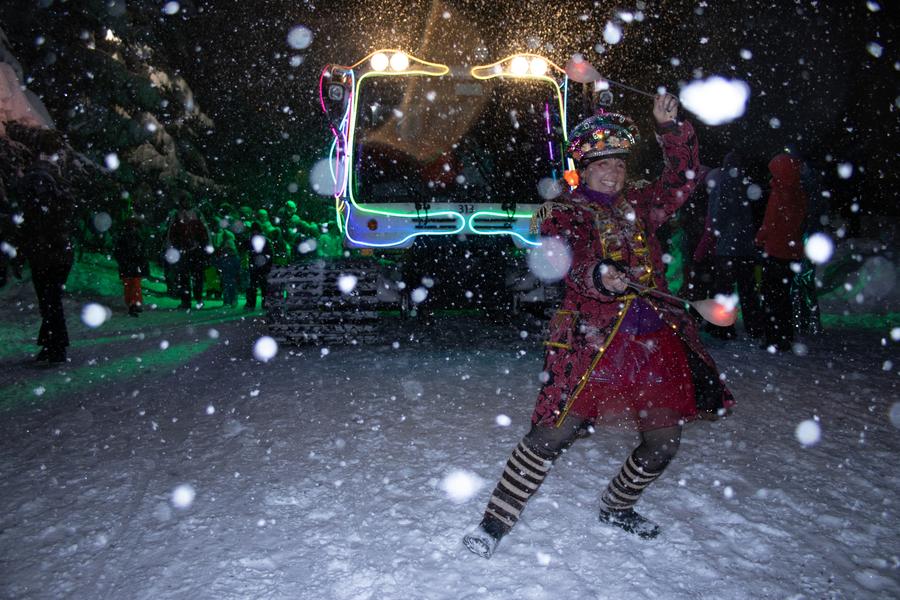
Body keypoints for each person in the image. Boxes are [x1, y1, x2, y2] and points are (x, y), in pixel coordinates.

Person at [463, 96, 735, 559]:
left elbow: (682, 180)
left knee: (664, 439)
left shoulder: (641, 205)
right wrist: (599, 274)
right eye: (602, 164)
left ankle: (617, 506)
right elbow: (569, 261)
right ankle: (494, 522)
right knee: (553, 433)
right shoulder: (565, 212)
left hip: (653, 342)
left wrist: (670, 129)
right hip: (592, 344)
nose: (612, 172)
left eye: (619, 164)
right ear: (584, 169)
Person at [16, 144, 76, 363]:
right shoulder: (56, 190)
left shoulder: (39, 191)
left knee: (49, 301)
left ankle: (55, 345)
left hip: (48, 255)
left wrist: (23, 254)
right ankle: (52, 343)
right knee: (51, 301)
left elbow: (31, 226)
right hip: (56, 254)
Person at [699, 151, 764, 339]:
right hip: (745, 246)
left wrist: (712, 235)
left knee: (724, 289)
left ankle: (723, 327)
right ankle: (754, 326)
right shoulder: (745, 182)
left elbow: (717, 215)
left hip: (727, 246)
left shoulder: (722, 184)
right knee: (748, 288)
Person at [754, 153, 808, 352]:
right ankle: (784, 335)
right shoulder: (798, 191)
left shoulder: (780, 192)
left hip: (776, 250)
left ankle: (773, 338)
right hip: (792, 252)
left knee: (771, 296)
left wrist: (759, 238)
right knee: (784, 297)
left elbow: (770, 222)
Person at [166, 192, 210, 309]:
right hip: (183, 250)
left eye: (189, 200)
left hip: (196, 250)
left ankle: (199, 299)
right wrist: (172, 247)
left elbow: (205, 231)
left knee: (197, 276)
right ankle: (186, 301)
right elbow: (171, 233)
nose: (187, 203)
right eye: (185, 200)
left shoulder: (197, 213)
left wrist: (205, 245)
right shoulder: (176, 215)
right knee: (184, 277)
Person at [112, 216, 151, 316]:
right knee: (131, 285)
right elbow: (118, 251)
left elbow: (142, 252)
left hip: (132, 265)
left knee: (133, 285)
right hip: (130, 265)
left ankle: (133, 304)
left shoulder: (134, 237)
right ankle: (133, 304)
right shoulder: (127, 237)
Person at [212, 215, 240, 307]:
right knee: (226, 280)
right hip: (224, 259)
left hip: (228, 259)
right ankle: (229, 299)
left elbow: (231, 248)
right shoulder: (219, 234)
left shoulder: (226, 234)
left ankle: (231, 299)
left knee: (228, 280)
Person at [244, 222, 272, 310]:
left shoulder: (251, 240)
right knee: (262, 285)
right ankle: (263, 303)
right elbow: (270, 253)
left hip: (258, 265)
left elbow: (245, 249)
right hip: (261, 265)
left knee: (255, 285)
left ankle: (252, 303)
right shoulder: (264, 239)